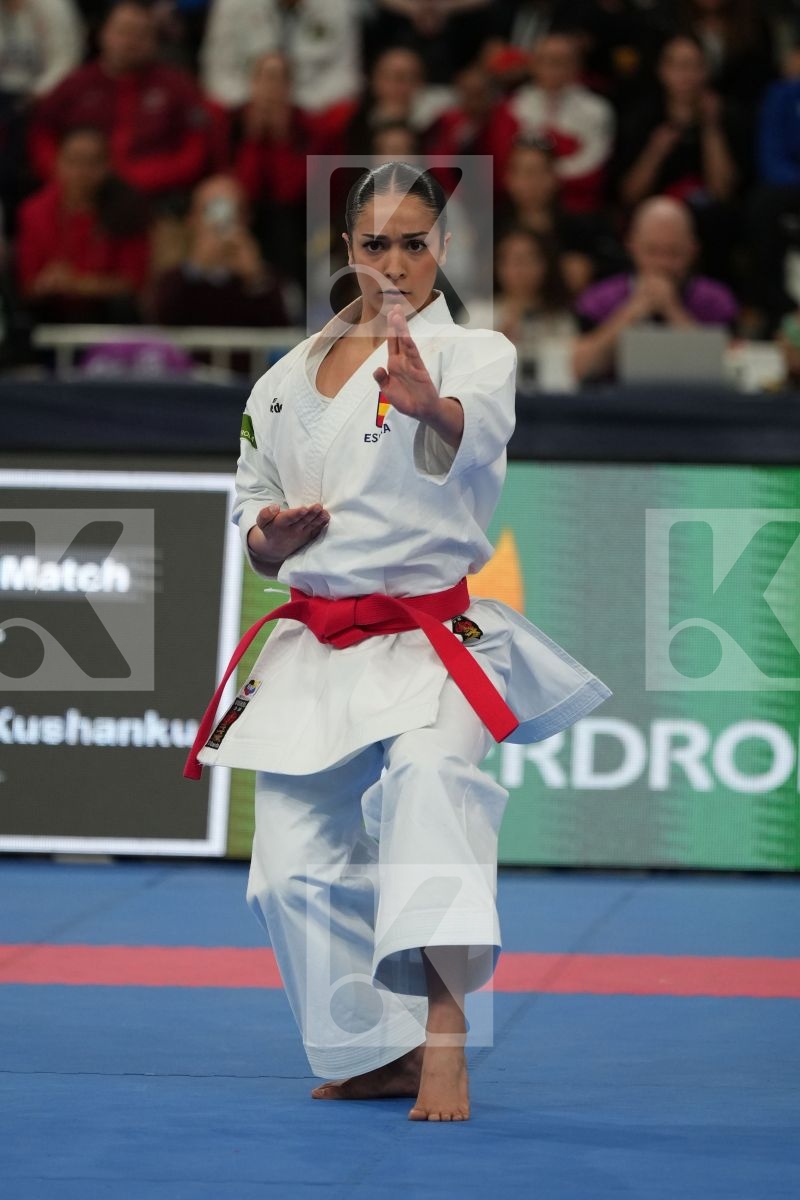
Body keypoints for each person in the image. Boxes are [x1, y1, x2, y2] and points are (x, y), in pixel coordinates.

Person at [183, 161, 612, 1121]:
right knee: (287, 869)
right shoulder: (283, 379)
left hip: (431, 635)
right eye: (374, 244)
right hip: (319, 639)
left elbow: (474, 432)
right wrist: (270, 540)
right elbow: (249, 503)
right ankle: (386, 1047)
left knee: (431, 792)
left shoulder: (477, 354)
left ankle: (449, 1040)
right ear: (346, 251)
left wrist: (429, 407)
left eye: (413, 243)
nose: (393, 263)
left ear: (443, 250)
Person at [28, 1, 212, 202]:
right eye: (123, 32)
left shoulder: (177, 87)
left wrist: (138, 178)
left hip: (158, 198)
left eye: (141, 34)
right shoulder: (75, 85)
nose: (130, 42)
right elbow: (41, 135)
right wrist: (71, 175)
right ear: (103, 33)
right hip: (78, 196)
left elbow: (197, 149)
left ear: (155, 40)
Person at [573, 194, 738, 381]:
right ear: (632, 246)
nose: (662, 263)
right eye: (652, 251)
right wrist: (632, 312)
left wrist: (672, 310)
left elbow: (730, 369)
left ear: (693, 250)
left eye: (674, 252)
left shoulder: (717, 300)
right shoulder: (599, 299)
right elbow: (581, 369)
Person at [16, 125, 150, 323]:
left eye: (92, 162)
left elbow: (132, 282)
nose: (82, 172)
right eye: (73, 161)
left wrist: (77, 284)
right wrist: (47, 282)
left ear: (107, 166)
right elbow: (26, 280)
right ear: (57, 162)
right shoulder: (33, 211)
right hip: (50, 308)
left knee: (121, 307)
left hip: (104, 311)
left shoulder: (127, 209)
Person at [150, 174, 290, 328]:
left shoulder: (267, 280)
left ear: (247, 217)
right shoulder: (172, 280)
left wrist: (255, 279)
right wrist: (196, 269)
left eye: (231, 210)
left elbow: (284, 327)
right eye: (210, 210)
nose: (220, 222)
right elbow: (161, 319)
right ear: (192, 218)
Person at [502, 32, 615, 214]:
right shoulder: (515, 105)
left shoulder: (597, 110)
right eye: (543, 60)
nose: (550, 68)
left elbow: (593, 172)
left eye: (558, 61)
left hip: (577, 208)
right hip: (518, 207)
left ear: (576, 66)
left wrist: (541, 176)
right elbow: (506, 162)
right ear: (532, 65)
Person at [200, 0, 361, 115]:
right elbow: (216, 74)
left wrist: (294, 108)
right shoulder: (231, 4)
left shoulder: (338, 5)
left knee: (343, 113)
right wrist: (254, 102)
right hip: (246, 109)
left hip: (310, 110)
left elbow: (345, 77)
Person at [469, 227, 577, 390]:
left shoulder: (560, 318)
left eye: (529, 260)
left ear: (545, 266)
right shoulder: (478, 313)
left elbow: (570, 372)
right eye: (512, 261)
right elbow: (463, 372)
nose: (521, 269)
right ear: (498, 266)